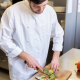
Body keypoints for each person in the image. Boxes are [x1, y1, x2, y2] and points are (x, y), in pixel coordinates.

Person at [0, 0, 64, 80]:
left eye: (44, 5)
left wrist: (55, 57)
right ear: (29, 1)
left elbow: (58, 33)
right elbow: (3, 40)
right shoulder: (12, 12)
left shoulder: (50, 11)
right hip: (21, 71)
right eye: (36, 6)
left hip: (41, 67)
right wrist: (26, 57)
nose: (41, 10)